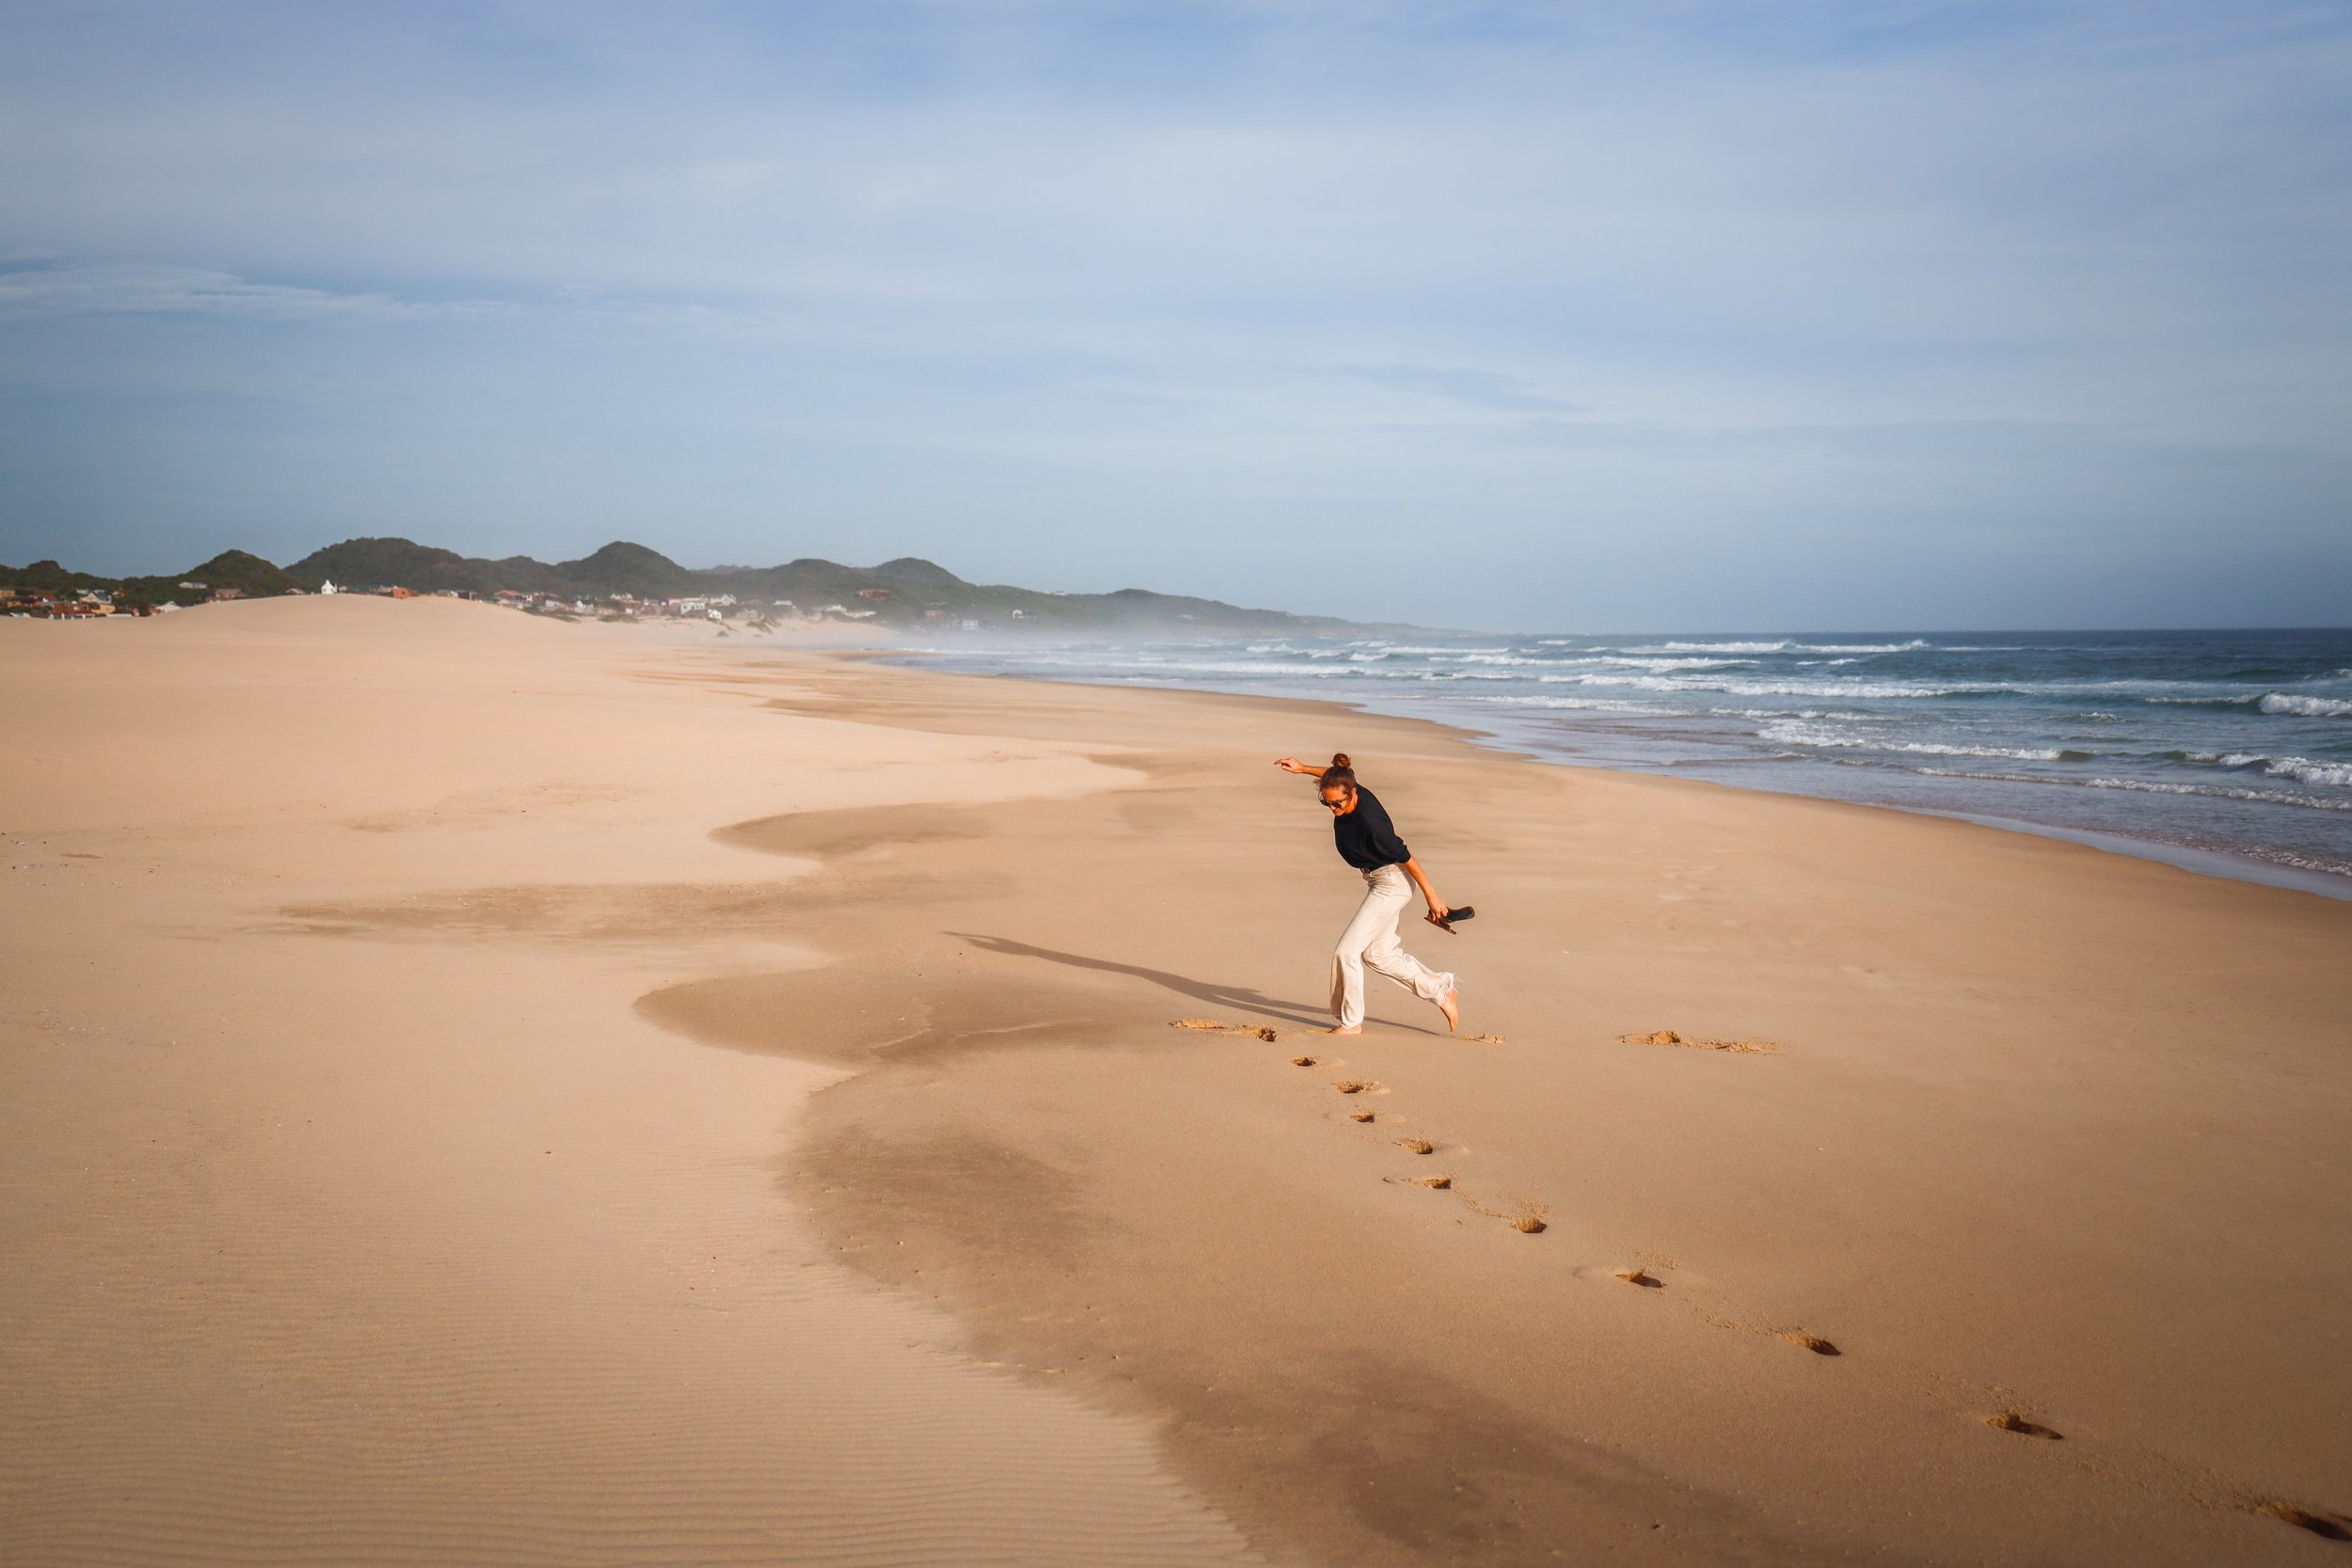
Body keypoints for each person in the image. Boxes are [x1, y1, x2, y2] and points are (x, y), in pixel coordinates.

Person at [1273, 752, 1461, 1035]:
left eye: (1338, 803)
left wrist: (1432, 897)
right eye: (1327, 802)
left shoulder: (1373, 824)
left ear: (1353, 794)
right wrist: (1302, 770)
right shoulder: (1343, 785)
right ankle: (1441, 991)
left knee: (1346, 951)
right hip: (1377, 881)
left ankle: (1351, 1023)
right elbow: (1333, 776)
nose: (1333, 808)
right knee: (1378, 955)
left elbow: (1407, 858)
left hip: (1391, 883)